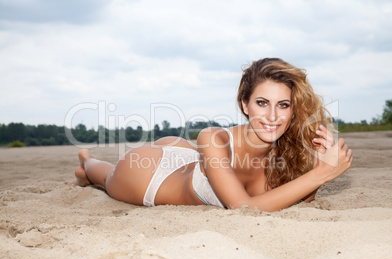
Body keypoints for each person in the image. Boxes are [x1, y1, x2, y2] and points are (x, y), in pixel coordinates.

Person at [69, 58, 353, 212]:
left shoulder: (287, 149)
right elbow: (244, 208)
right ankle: (87, 163)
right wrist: (321, 175)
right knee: (105, 177)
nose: (273, 117)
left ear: (293, 111)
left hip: (189, 159)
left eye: (283, 105)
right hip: (148, 175)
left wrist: (317, 168)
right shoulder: (213, 138)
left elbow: (297, 200)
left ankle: (88, 164)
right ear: (245, 104)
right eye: (262, 103)